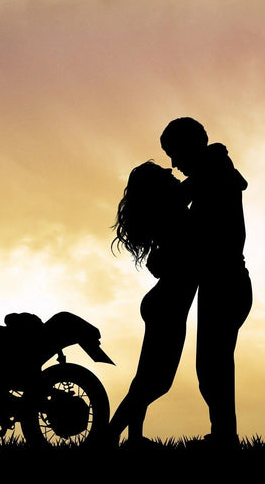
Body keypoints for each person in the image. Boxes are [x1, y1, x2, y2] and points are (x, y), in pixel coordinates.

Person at [160, 117, 252, 449]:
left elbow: (182, 213)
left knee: (214, 368)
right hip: (223, 284)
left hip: (226, 283)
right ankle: (223, 436)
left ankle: (225, 439)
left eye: (174, 153)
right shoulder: (212, 173)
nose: (173, 163)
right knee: (213, 367)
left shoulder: (213, 176)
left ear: (190, 147)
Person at [108, 161, 198, 447]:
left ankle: (133, 438)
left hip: (161, 302)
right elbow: (199, 181)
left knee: (146, 378)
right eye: (165, 174)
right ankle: (108, 437)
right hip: (168, 304)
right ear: (158, 187)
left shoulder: (168, 209)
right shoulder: (172, 208)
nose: (172, 173)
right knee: (157, 382)